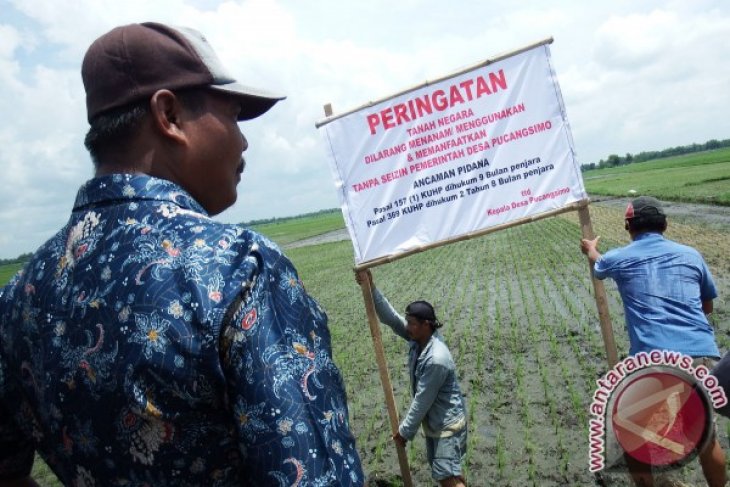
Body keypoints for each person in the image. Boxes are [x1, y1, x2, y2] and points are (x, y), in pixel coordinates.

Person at [0, 22, 363, 486]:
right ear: (168, 114)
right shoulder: (235, 268)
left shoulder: (18, 298)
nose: (244, 140)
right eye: (233, 115)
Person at [580, 195, 726, 487]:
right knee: (706, 437)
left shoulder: (619, 258)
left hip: (657, 363)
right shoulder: (691, 254)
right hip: (703, 357)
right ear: (666, 225)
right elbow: (707, 306)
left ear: (628, 227)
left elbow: (598, 263)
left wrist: (591, 249)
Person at [357, 270, 467, 487]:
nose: (407, 327)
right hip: (438, 424)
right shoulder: (420, 339)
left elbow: (422, 400)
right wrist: (371, 288)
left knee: (446, 477)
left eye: (412, 323)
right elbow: (391, 318)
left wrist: (404, 432)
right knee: (449, 474)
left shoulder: (436, 358)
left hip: (448, 426)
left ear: (426, 324)